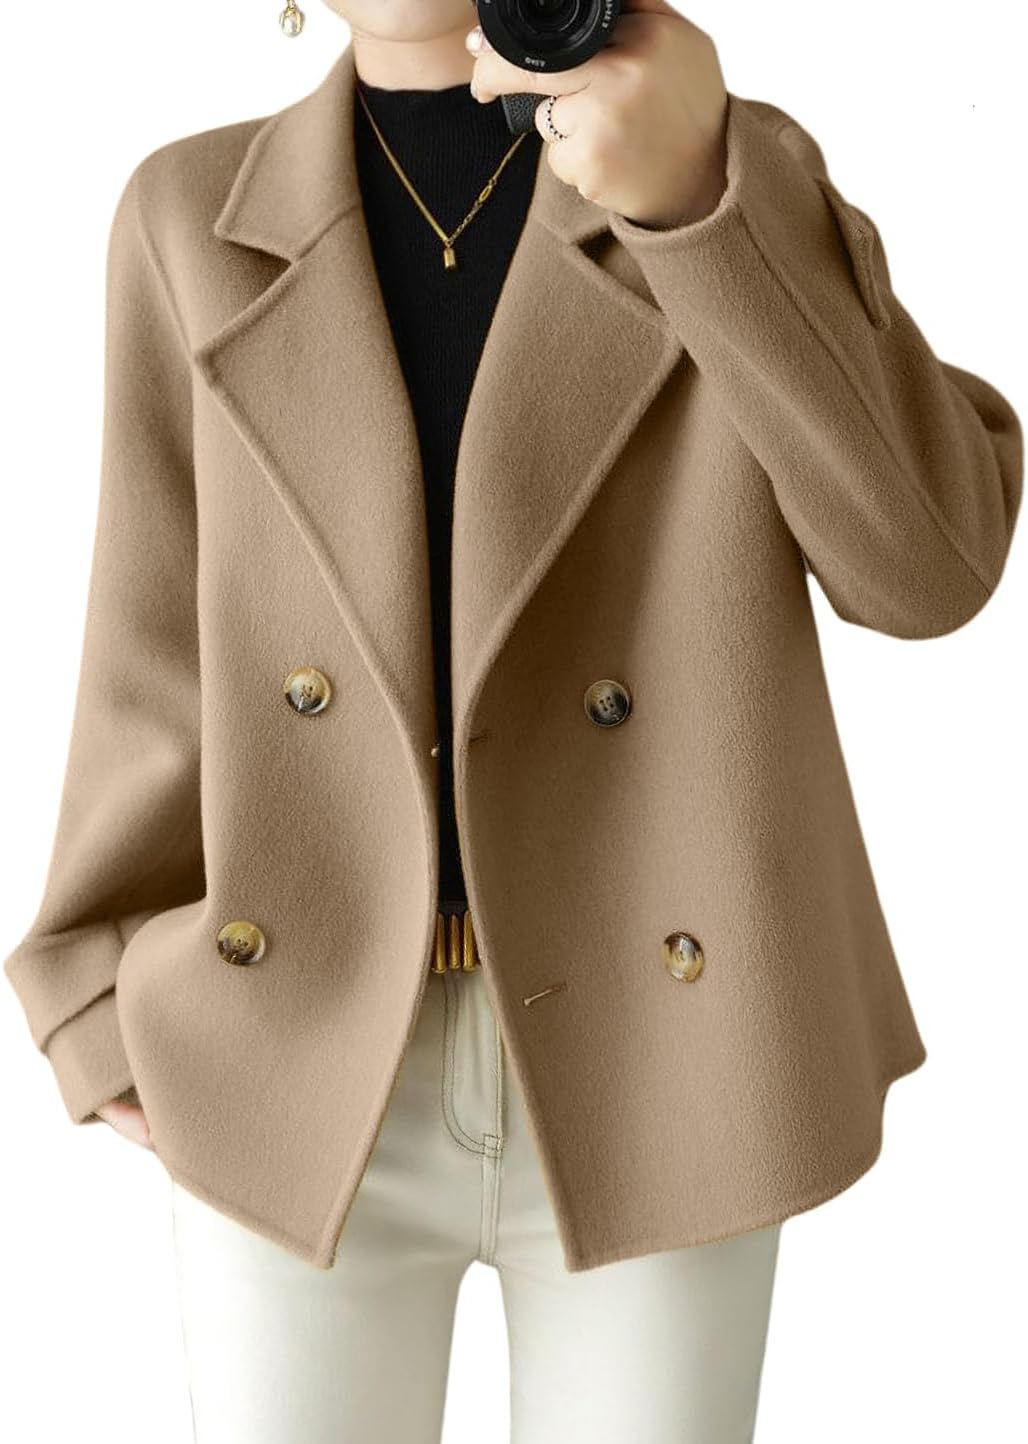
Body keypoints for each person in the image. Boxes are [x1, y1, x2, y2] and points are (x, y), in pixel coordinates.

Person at [3, 0, 1021, 1439]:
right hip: (293, 1042)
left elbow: (927, 569)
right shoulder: (192, 212)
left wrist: (700, 203)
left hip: (671, 1046)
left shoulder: (725, 173)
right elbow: (152, 637)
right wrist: (97, 1000)